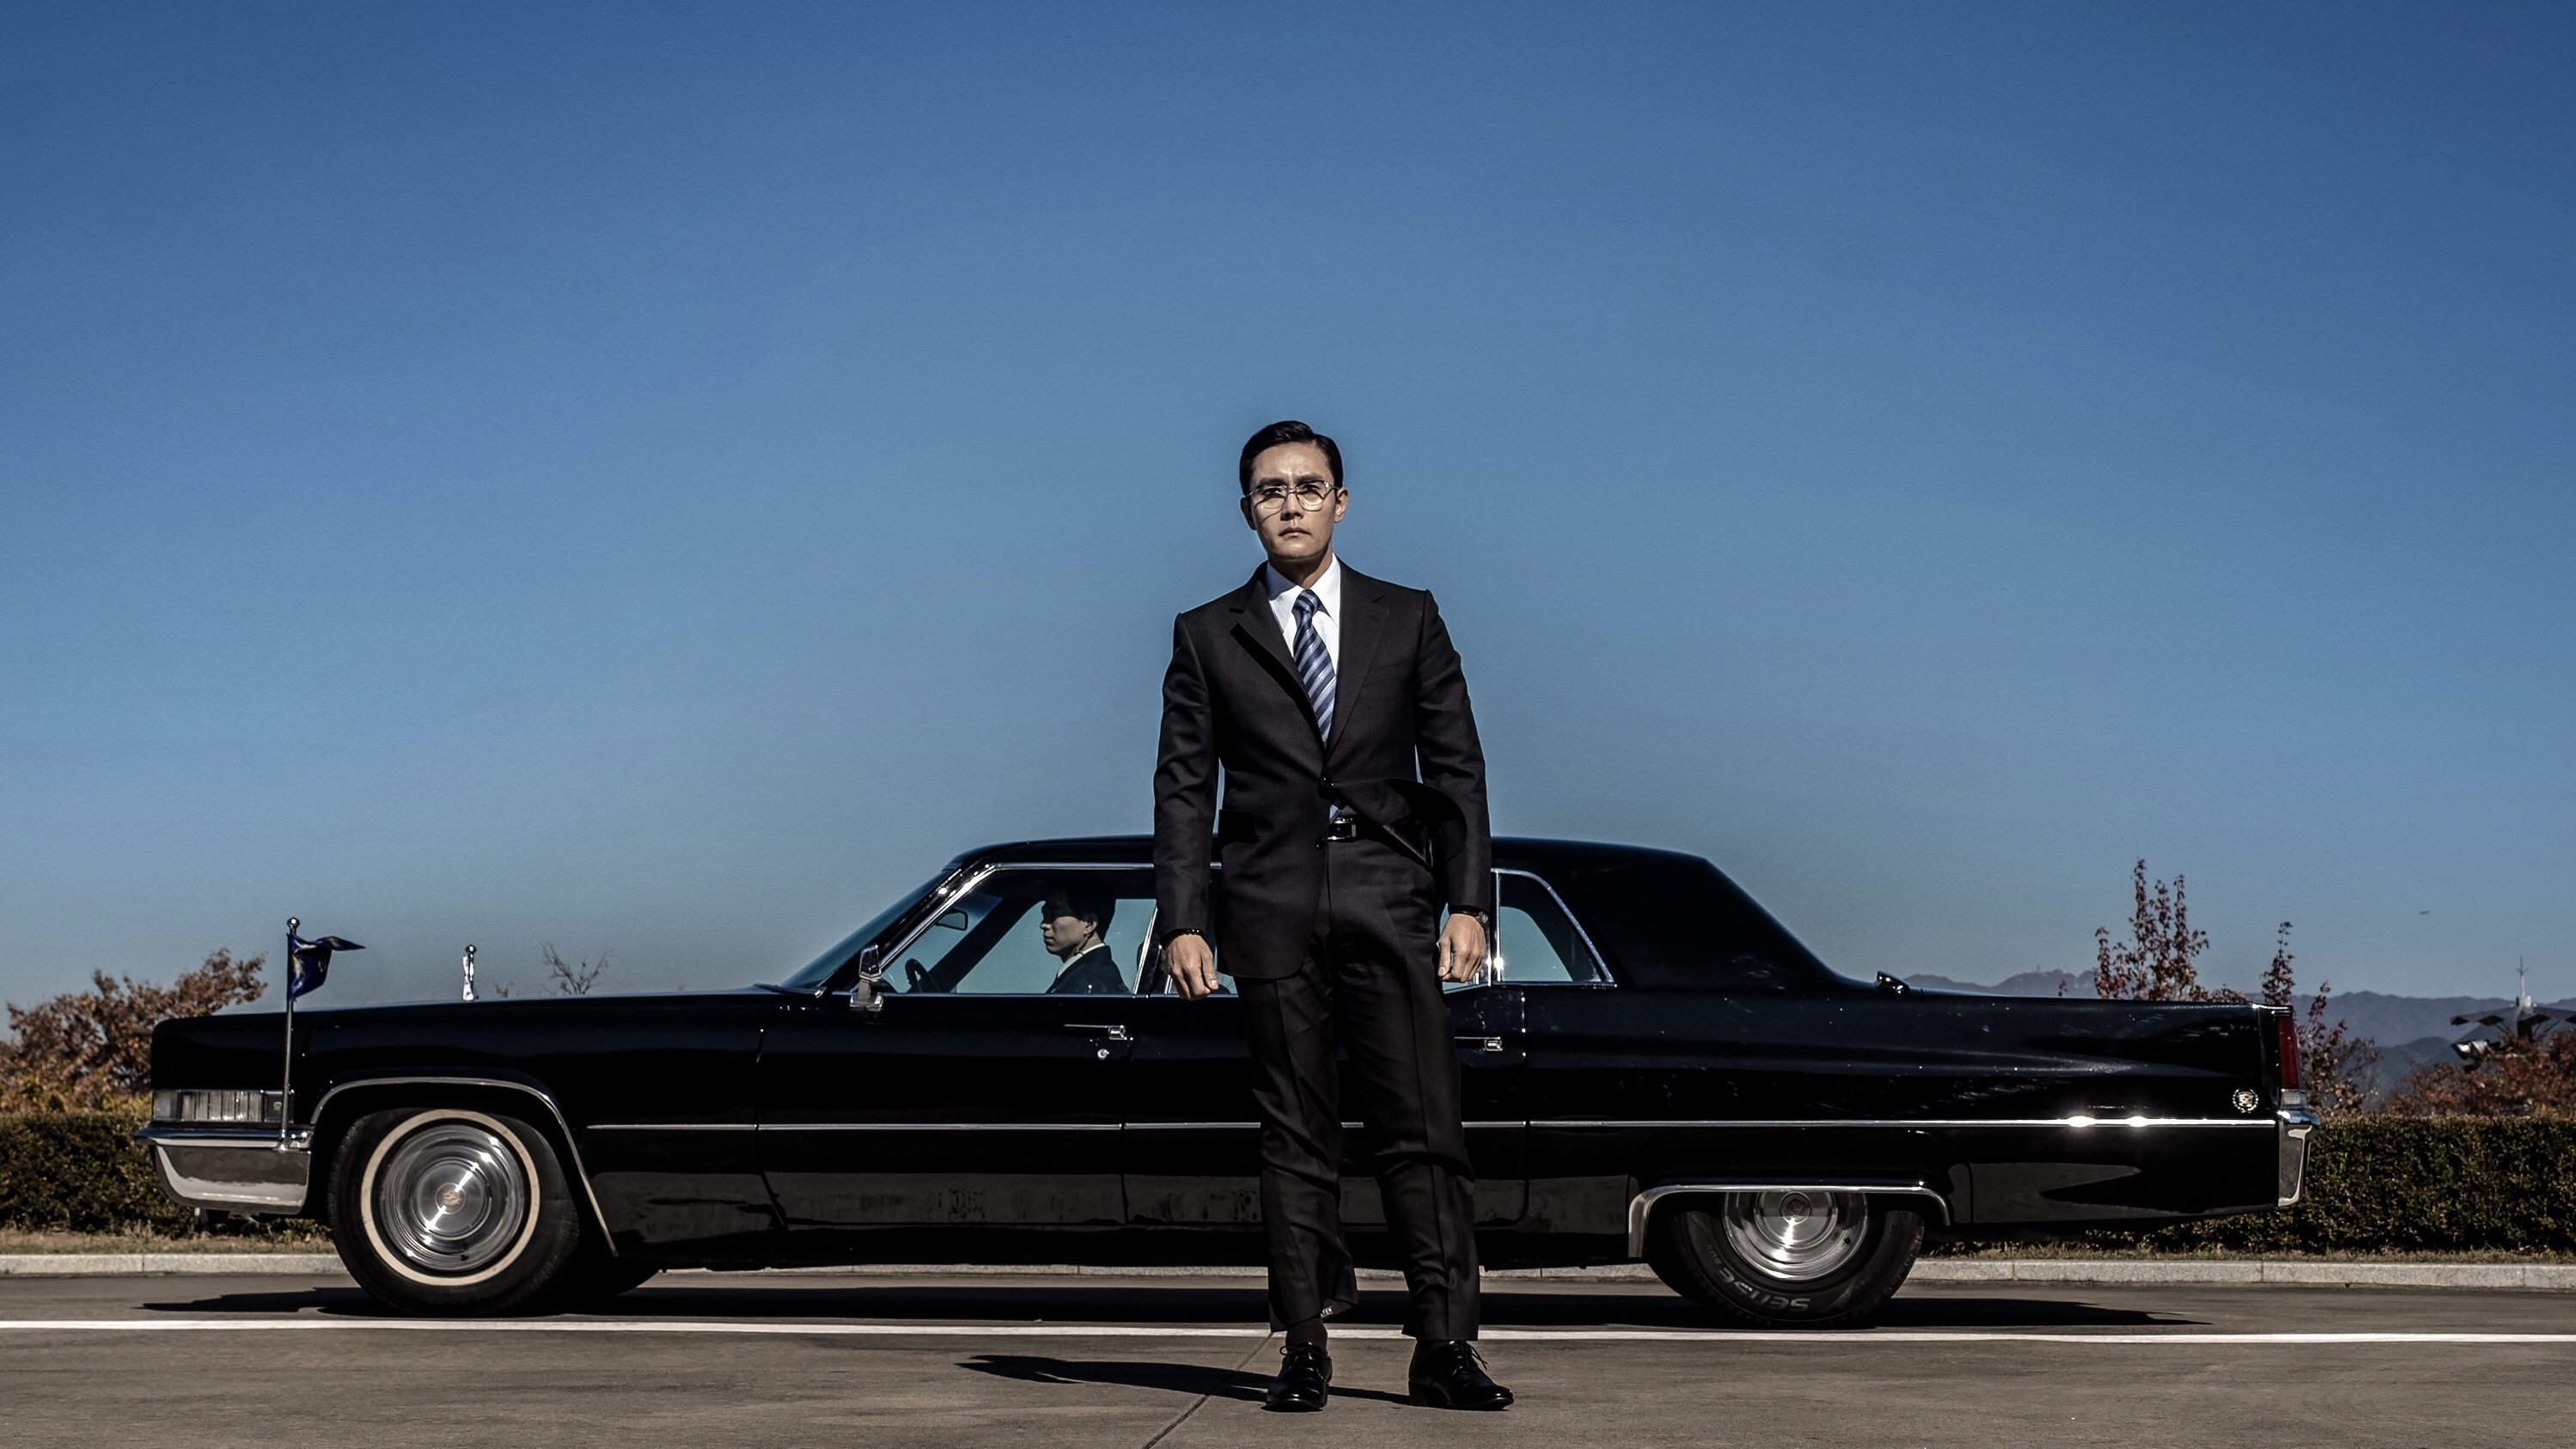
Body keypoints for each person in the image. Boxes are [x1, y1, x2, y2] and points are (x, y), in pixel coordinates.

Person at [1151, 419, 1511, 1412]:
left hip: (1387, 894)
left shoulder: (1409, 616)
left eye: (1308, 487)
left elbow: (1457, 767)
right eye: (1270, 491)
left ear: (1340, 503)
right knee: (1293, 1136)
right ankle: (1304, 1345)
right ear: (1247, 511)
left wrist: (1468, 900)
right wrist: (1183, 918)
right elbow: (1183, 787)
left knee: (1423, 1127)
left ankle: (1445, 1345)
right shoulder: (1206, 632)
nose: (1291, 504)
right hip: (1268, 903)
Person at [1039, 885, 1126, 996]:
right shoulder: (1096, 974)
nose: (1043, 925)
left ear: (1089, 924)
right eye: (1044, 915)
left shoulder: (1088, 980)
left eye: (1053, 915)